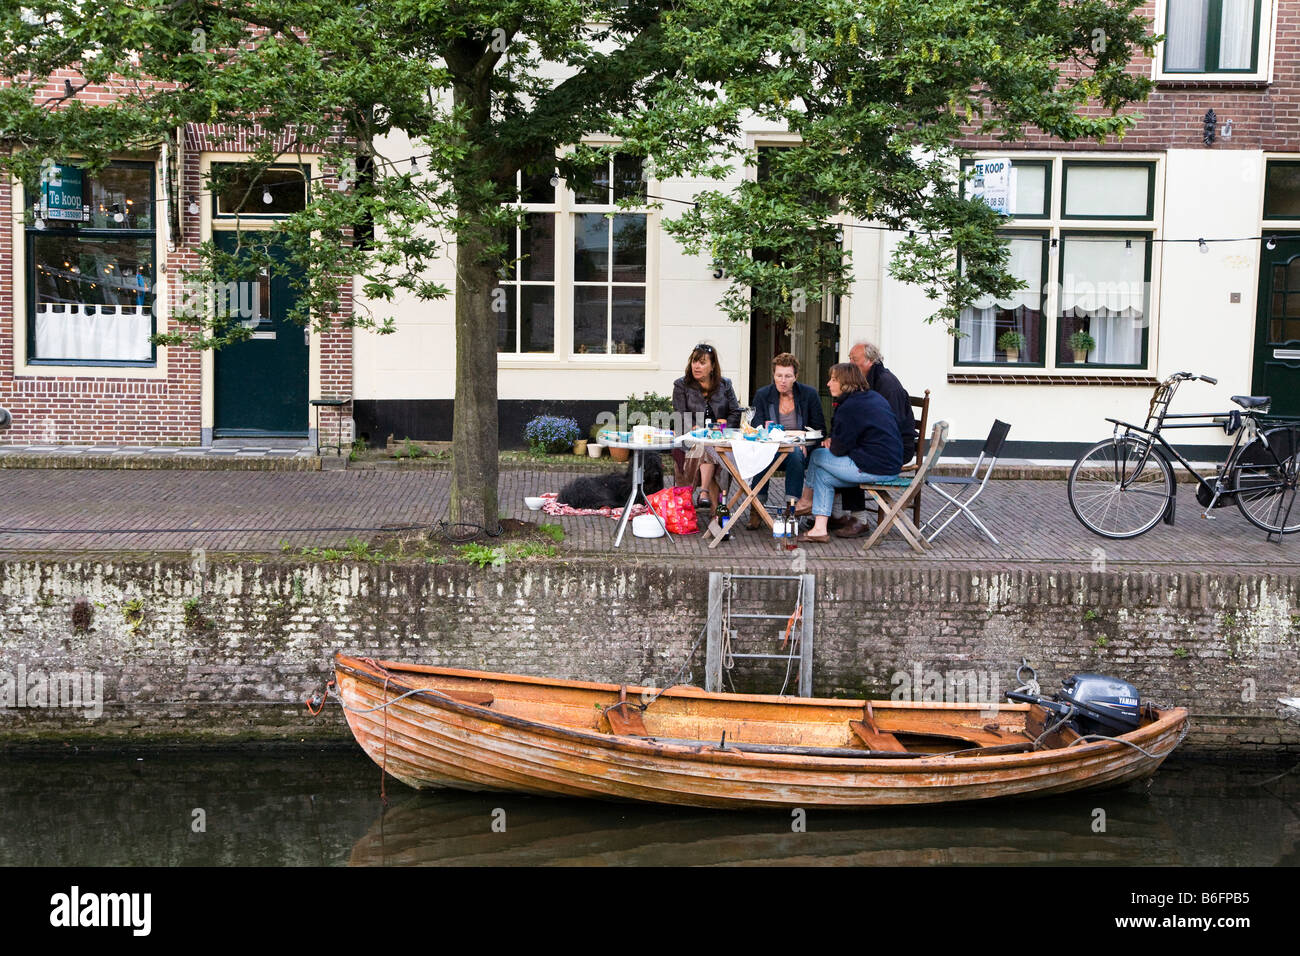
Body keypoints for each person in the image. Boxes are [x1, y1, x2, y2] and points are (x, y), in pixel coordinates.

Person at [791, 363, 902, 543]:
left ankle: (806, 500)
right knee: (823, 475)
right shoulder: (871, 397)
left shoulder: (849, 407)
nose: (828, 383)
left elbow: (839, 449)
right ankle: (819, 529)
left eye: (834, 379)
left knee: (817, 455)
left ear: (846, 382)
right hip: (888, 464)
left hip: (873, 467)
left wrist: (833, 442)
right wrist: (835, 441)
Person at [832, 341, 917, 538]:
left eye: (854, 360)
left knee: (851, 455)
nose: (851, 364)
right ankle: (837, 514)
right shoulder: (867, 381)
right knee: (846, 449)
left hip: (896, 449)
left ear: (870, 361)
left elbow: (890, 425)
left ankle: (857, 518)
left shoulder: (887, 384)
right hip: (878, 443)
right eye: (850, 359)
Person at [744, 352, 826, 529]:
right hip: (770, 449)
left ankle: (792, 508)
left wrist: (801, 441)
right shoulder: (763, 395)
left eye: (788, 376)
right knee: (761, 453)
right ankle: (757, 508)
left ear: (796, 377)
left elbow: (820, 430)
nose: (783, 380)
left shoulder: (809, 395)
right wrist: (794, 434)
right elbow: (757, 427)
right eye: (779, 375)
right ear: (773, 375)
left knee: (795, 452)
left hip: (798, 451)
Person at [671, 343, 742, 511]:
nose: (696, 366)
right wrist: (694, 428)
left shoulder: (725, 385)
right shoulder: (681, 385)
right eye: (694, 361)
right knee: (705, 446)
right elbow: (680, 413)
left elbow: (735, 412)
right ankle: (710, 501)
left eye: (702, 362)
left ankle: (708, 500)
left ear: (712, 366)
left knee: (712, 447)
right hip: (691, 439)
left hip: (719, 438)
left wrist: (724, 428)